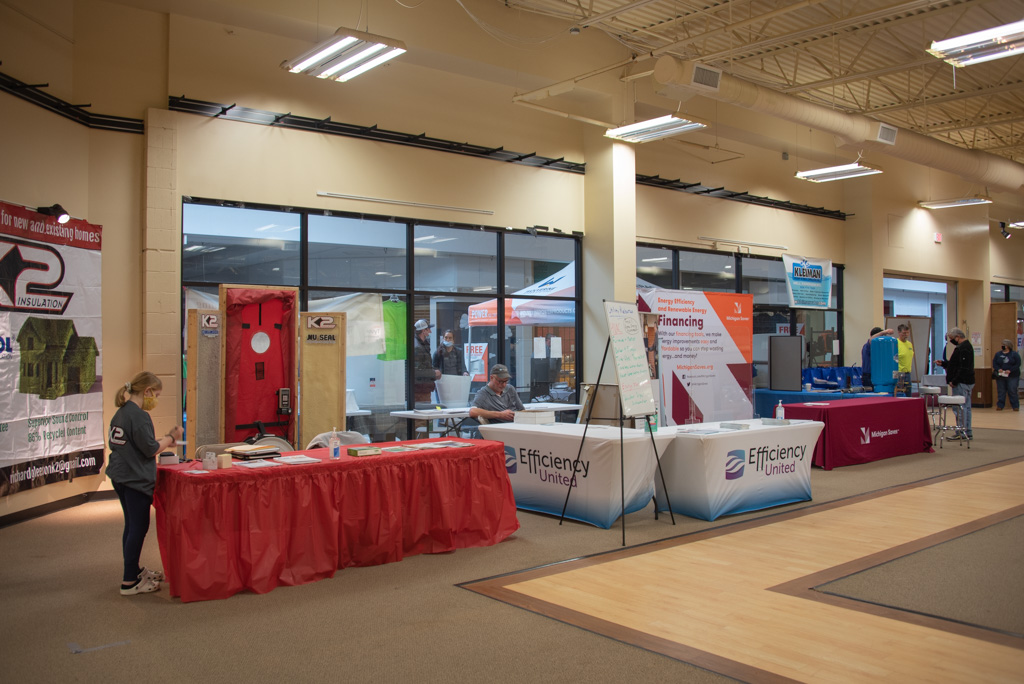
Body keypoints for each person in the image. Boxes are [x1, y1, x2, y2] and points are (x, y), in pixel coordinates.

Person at [106, 372, 184, 596]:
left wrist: (160, 441)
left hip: (121, 476)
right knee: (137, 528)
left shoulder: (121, 413)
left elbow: (141, 444)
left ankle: (133, 570)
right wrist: (171, 437)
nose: (156, 400)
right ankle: (129, 581)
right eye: (156, 395)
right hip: (134, 480)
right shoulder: (138, 416)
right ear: (147, 391)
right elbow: (150, 449)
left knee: (131, 526)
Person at [937, 327, 974, 439]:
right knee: (966, 407)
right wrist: (944, 364)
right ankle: (967, 431)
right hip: (966, 380)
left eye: (952, 338)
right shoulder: (963, 347)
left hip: (962, 382)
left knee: (960, 407)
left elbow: (963, 368)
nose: (951, 341)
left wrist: (954, 380)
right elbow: (955, 365)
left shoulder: (963, 348)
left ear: (958, 337)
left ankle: (962, 432)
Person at [413, 319, 440, 405]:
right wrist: (434, 373)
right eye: (428, 329)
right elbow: (417, 371)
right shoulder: (418, 347)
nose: (430, 331)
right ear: (423, 330)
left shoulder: (422, 345)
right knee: (422, 416)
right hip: (420, 389)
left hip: (423, 388)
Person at [992, 338, 1021, 412]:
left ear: (1008, 346)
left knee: (1012, 390)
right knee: (1001, 391)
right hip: (1001, 375)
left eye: (1004, 345)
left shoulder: (1014, 354)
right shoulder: (998, 354)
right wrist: (998, 369)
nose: (1002, 346)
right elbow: (995, 363)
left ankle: (1015, 406)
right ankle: (1000, 405)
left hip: (1012, 376)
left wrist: (1010, 370)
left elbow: (1018, 364)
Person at [896, 323, 914, 396]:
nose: (906, 334)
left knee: (908, 393)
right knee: (899, 393)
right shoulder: (896, 343)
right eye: (904, 333)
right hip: (899, 372)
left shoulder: (909, 344)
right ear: (899, 332)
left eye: (907, 333)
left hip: (908, 372)